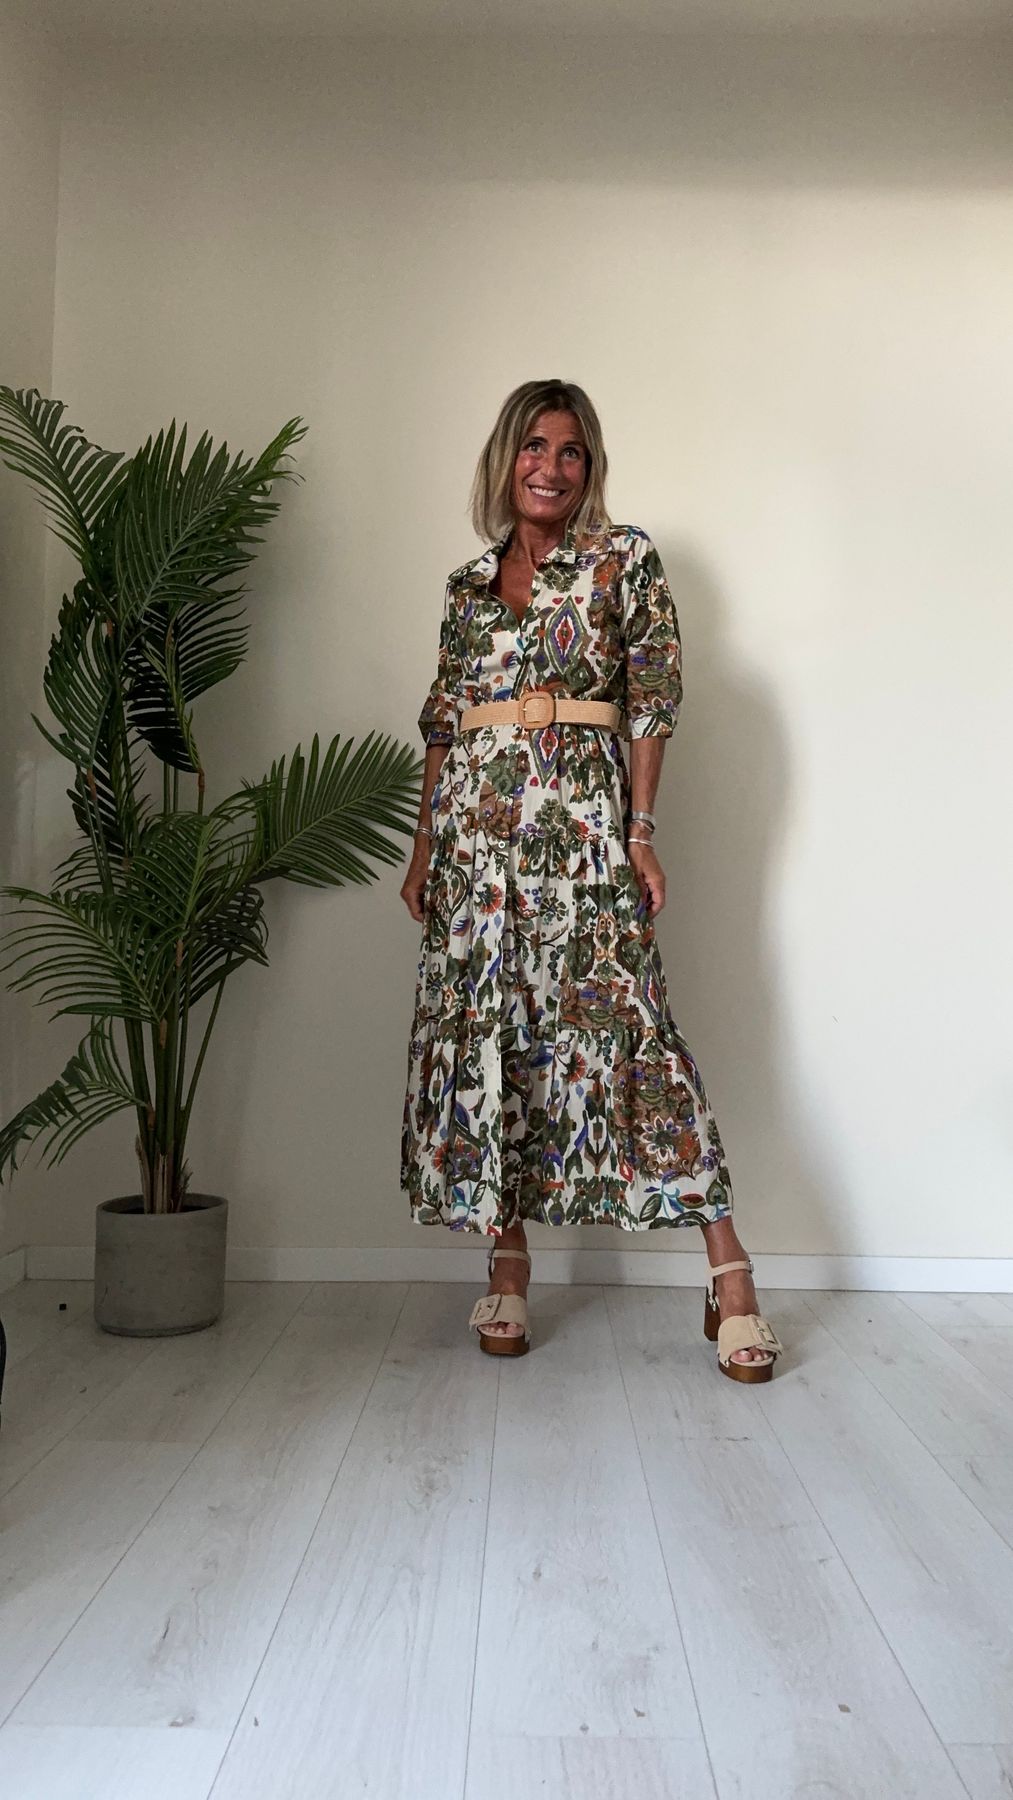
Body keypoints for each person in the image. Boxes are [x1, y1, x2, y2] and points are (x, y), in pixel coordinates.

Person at [399, 380, 783, 1382]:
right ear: (506, 458)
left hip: (579, 834)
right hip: (474, 845)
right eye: (534, 446)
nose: (550, 466)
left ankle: (729, 1272)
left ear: (589, 467)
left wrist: (639, 833)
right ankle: (508, 1261)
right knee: (495, 1033)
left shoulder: (622, 561)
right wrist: (423, 847)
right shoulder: (466, 585)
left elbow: (651, 697)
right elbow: (442, 722)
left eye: (570, 451)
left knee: (633, 1028)